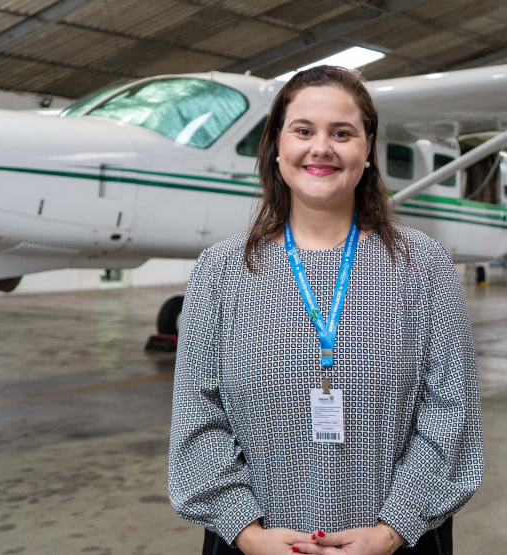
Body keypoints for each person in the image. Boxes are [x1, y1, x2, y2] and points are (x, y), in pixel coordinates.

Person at [169, 65, 483, 555]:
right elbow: (197, 415)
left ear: (368, 149)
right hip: (254, 543)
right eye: (303, 131)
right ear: (276, 146)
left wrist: (392, 530)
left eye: (342, 133)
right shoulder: (221, 270)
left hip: (400, 542)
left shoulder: (424, 265)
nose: (321, 148)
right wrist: (248, 534)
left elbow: (451, 414)